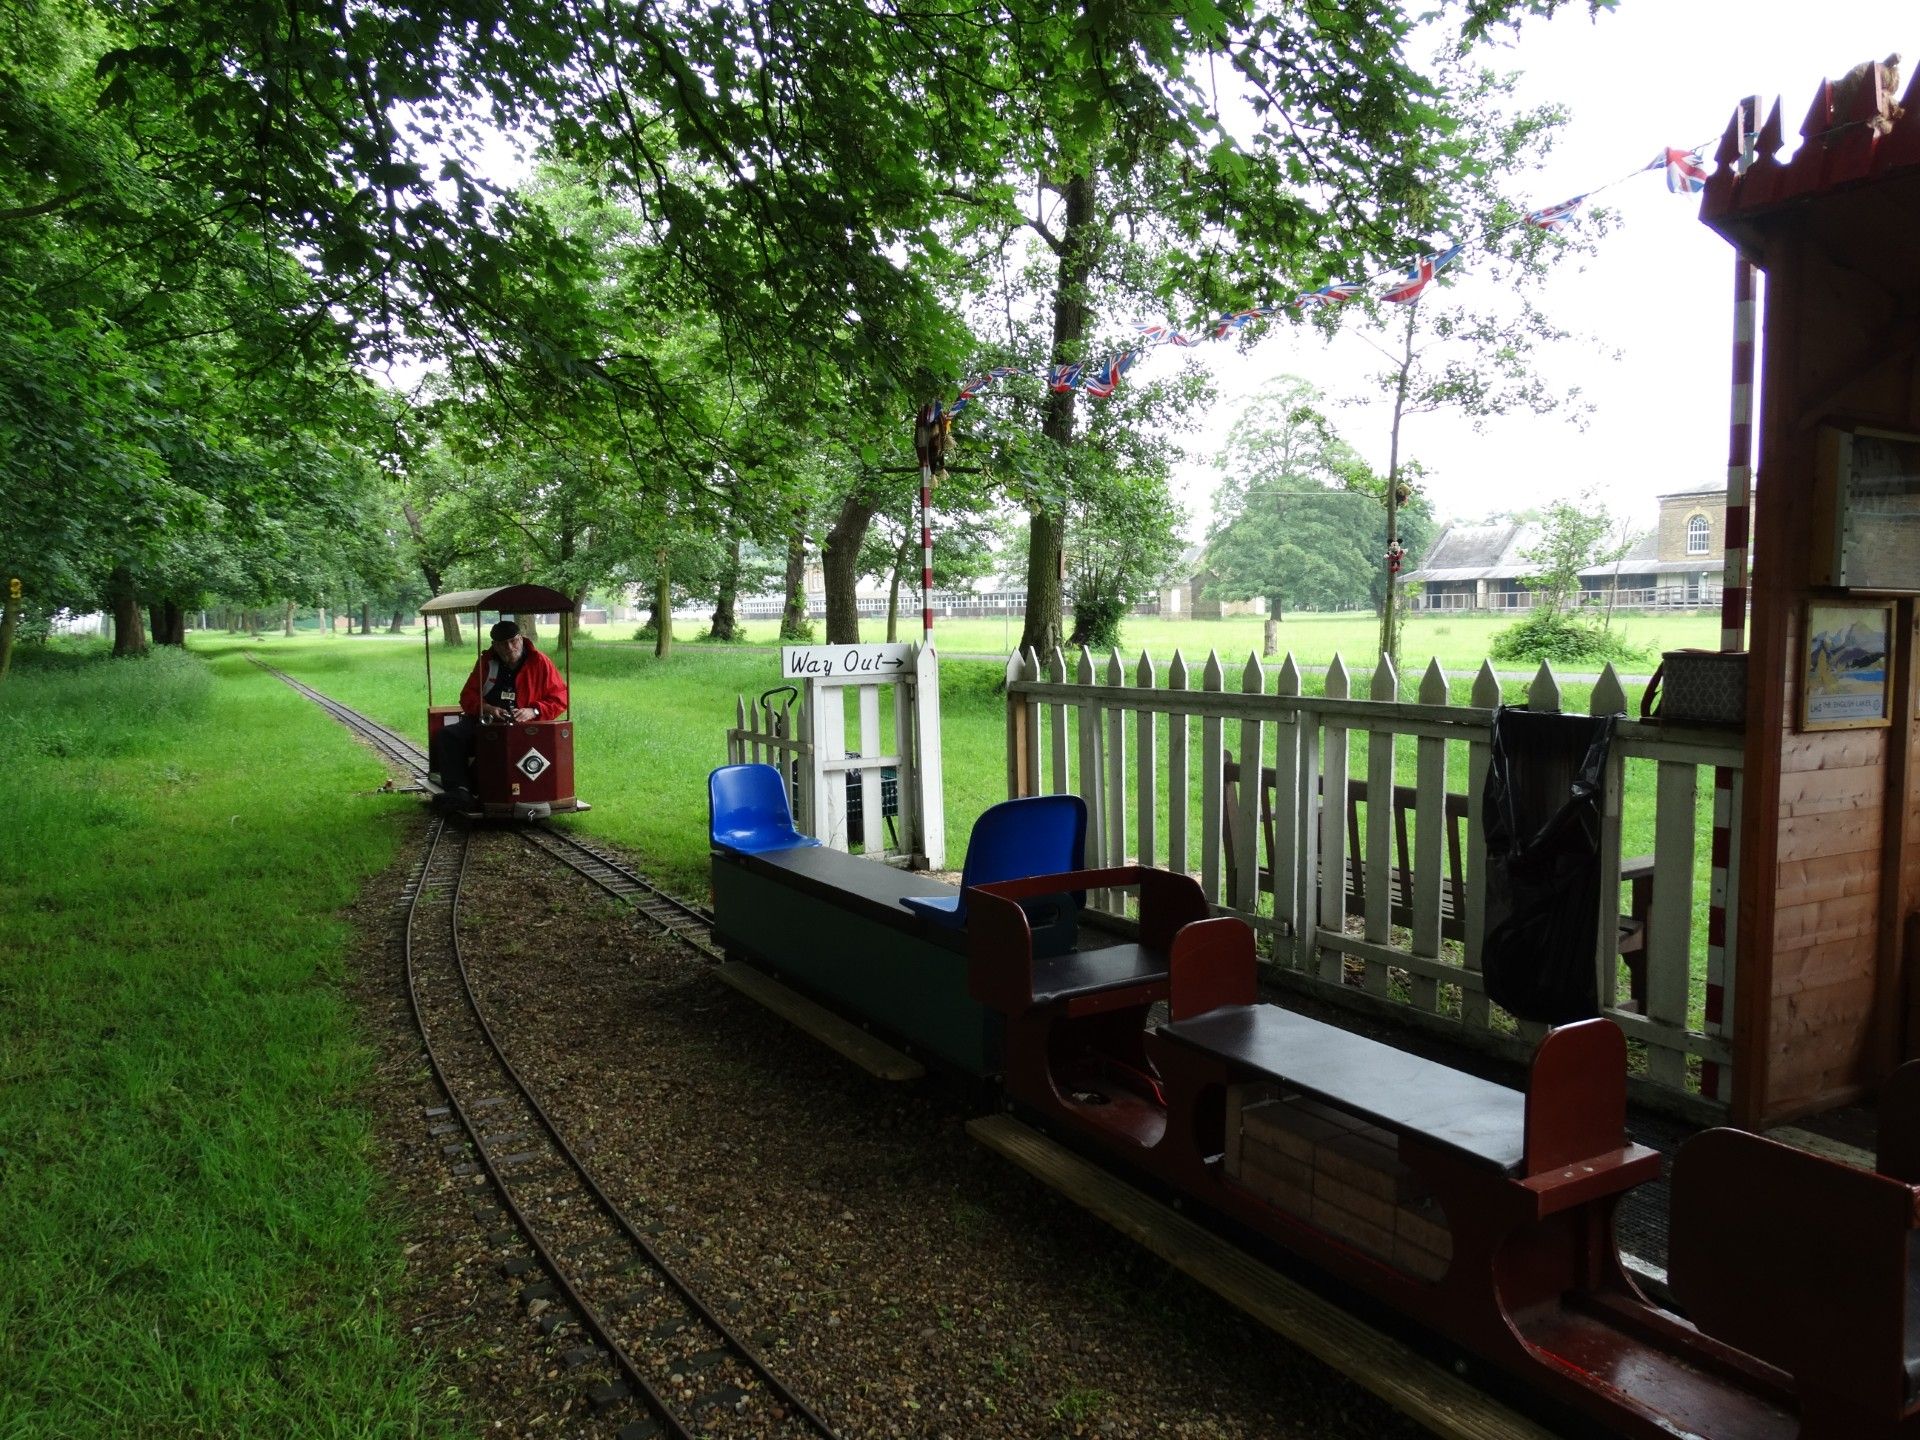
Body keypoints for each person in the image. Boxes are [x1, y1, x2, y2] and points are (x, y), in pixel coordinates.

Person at [427, 620, 569, 810]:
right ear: (494, 645)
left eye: (513, 641)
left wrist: (533, 711)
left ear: (521, 638)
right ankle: (459, 791)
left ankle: (535, 789)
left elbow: (560, 698)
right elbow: (467, 696)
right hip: (487, 723)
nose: (509, 648)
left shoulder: (540, 662)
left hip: (526, 727)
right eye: (503, 644)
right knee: (448, 736)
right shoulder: (487, 662)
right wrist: (487, 708)